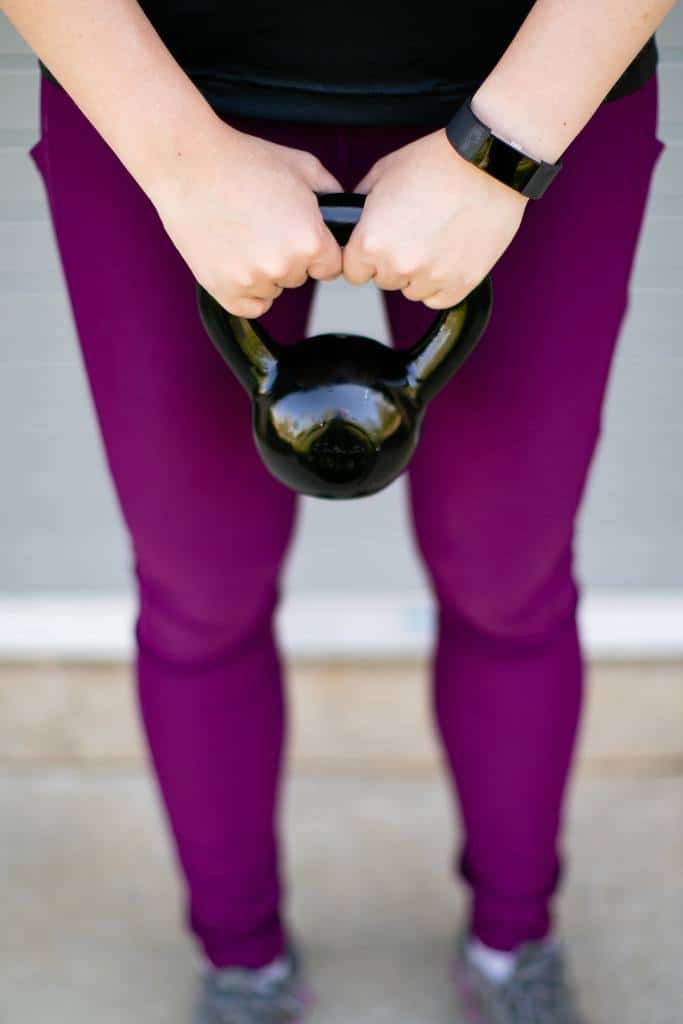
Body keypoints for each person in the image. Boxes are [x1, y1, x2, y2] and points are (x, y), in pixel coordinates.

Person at [2, 1, 674, 1021]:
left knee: (509, 575)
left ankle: (510, 942)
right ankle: (241, 959)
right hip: (156, 96)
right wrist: (180, 161)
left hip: (543, 86)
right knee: (199, 589)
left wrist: (498, 155)